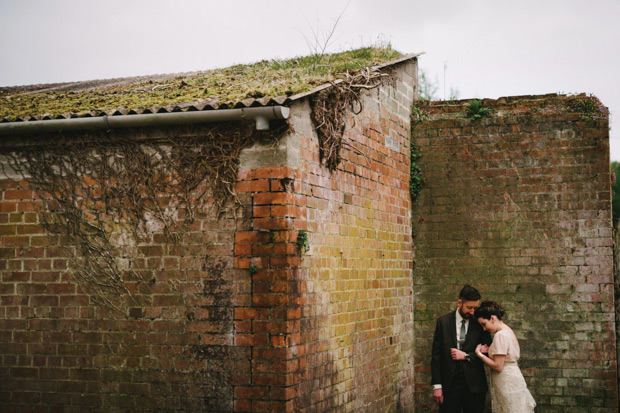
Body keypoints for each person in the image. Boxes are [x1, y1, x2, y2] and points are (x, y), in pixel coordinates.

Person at [431, 285, 492, 412]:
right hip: (449, 384)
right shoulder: (443, 322)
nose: (472, 312)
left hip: (475, 384)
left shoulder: (480, 323)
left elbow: (488, 352)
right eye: (469, 308)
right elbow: (436, 356)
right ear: (459, 303)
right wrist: (437, 386)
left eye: (475, 308)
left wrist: (466, 355)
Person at [474, 301, 536, 412]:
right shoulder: (507, 330)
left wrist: (479, 354)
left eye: (484, 324)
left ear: (492, 318)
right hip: (512, 378)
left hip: (507, 382)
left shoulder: (500, 335)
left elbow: (498, 366)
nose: (484, 328)